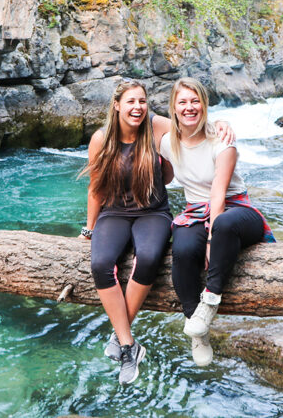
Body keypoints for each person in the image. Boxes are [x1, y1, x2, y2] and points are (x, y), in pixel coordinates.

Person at [79, 79, 233, 385]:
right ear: (117, 105)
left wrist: (221, 123)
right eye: (131, 102)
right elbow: (95, 187)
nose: (137, 107)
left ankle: (119, 340)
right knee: (100, 264)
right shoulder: (101, 139)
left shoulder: (155, 126)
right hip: (114, 213)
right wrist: (89, 228)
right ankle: (128, 346)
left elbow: (189, 123)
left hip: (153, 212)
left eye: (143, 101)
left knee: (148, 258)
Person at [158, 77, 276, 367]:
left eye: (195, 101)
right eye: (182, 102)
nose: (189, 107)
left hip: (237, 210)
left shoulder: (222, 140)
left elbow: (218, 194)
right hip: (195, 210)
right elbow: (132, 115)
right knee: (183, 251)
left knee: (222, 226)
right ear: (173, 108)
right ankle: (197, 331)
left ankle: (210, 303)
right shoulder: (165, 141)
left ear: (204, 104)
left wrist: (211, 240)